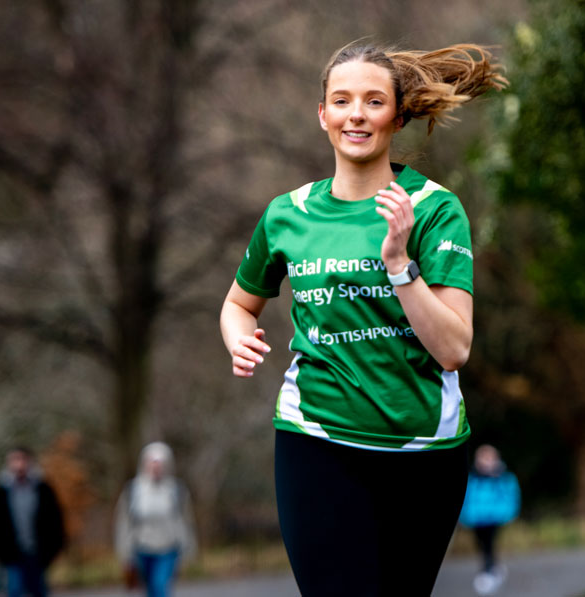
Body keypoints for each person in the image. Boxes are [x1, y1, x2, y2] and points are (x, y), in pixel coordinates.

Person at [219, 41, 507, 596]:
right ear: (322, 114)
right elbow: (238, 304)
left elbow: (454, 349)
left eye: (374, 101)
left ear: (397, 117)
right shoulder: (288, 214)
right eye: (342, 100)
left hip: (421, 451)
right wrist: (239, 340)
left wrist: (399, 266)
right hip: (315, 438)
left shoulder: (433, 208)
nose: (356, 114)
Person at [114, 442, 197, 597]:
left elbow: (186, 521)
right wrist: (124, 554)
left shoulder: (176, 490)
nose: (156, 467)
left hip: (168, 548)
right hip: (141, 548)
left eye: (160, 463)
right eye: (152, 462)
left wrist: (188, 549)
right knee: (150, 589)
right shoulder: (133, 490)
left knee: (160, 585)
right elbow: (124, 523)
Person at [0, 446, 65, 597]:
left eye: (22, 459)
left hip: (37, 551)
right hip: (11, 551)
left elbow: (54, 519)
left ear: (29, 462)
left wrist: (57, 545)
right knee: (15, 589)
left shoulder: (42, 488)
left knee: (38, 589)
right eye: (15, 460)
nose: (19, 464)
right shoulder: (2, 491)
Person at [459, 444, 521, 596]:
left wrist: (508, 514)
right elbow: (467, 499)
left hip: (494, 518)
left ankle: (488, 570)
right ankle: (492, 567)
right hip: (476, 519)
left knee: (489, 544)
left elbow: (511, 496)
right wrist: (465, 516)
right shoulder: (472, 478)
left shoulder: (503, 478)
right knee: (480, 544)